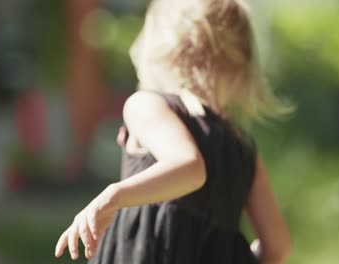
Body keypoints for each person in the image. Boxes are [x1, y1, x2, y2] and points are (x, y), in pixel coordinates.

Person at [55, 0, 293, 263]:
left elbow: (190, 168)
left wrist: (115, 196)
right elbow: (278, 246)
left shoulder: (148, 105)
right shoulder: (242, 145)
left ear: (157, 50)